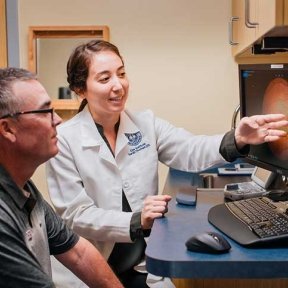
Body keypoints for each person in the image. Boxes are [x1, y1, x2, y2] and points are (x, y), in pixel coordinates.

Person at [46, 40, 288, 288]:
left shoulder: (144, 123)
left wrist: (237, 139)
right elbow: (76, 215)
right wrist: (136, 220)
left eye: (121, 74)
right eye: (105, 78)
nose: (118, 86)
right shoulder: (64, 140)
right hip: (90, 270)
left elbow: (189, 149)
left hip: (140, 264)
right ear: (80, 88)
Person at [0, 67, 124, 288]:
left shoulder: (24, 190)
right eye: (45, 112)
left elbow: (79, 253)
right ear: (7, 129)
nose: (57, 120)